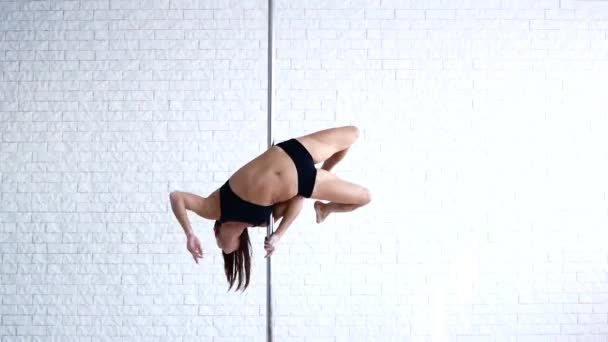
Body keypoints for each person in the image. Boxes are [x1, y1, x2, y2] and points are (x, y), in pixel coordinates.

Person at [169, 126, 371, 291]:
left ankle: (324, 181)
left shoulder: (214, 208)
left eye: (219, 244)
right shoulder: (264, 220)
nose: (221, 246)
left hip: (292, 151)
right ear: (240, 241)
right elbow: (297, 200)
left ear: (218, 229)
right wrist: (278, 235)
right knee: (364, 197)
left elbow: (177, 197)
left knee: (353, 134)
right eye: (225, 249)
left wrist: (189, 234)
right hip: (305, 181)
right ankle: (325, 209)